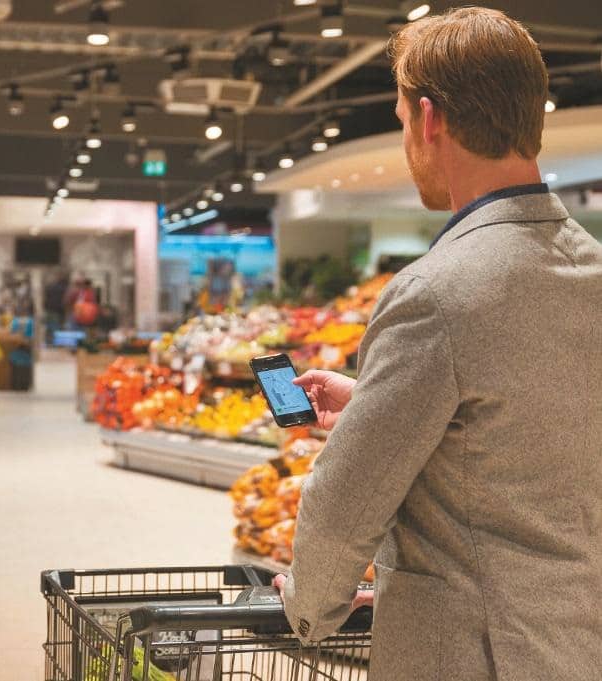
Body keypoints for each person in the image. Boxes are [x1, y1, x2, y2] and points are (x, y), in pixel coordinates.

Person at [270, 7, 602, 680]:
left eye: (398, 122)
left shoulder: (435, 292)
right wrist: (371, 399)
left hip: (466, 653)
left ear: (429, 119)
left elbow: (346, 501)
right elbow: (529, 431)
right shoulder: (589, 270)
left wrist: (310, 606)